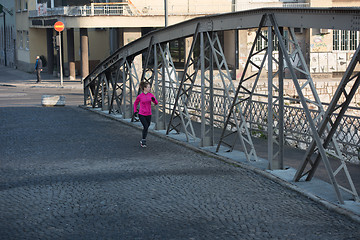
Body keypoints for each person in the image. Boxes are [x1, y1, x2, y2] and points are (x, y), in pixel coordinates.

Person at [133, 81, 158, 148]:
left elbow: (156, 103)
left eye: (150, 87)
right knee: (146, 126)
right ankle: (143, 141)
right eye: (148, 87)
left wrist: (154, 100)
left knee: (146, 127)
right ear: (144, 88)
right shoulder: (140, 96)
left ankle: (143, 139)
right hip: (142, 114)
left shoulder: (150, 95)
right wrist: (135, 111)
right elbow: (135, 103)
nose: (150, 88)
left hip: (149, 113)